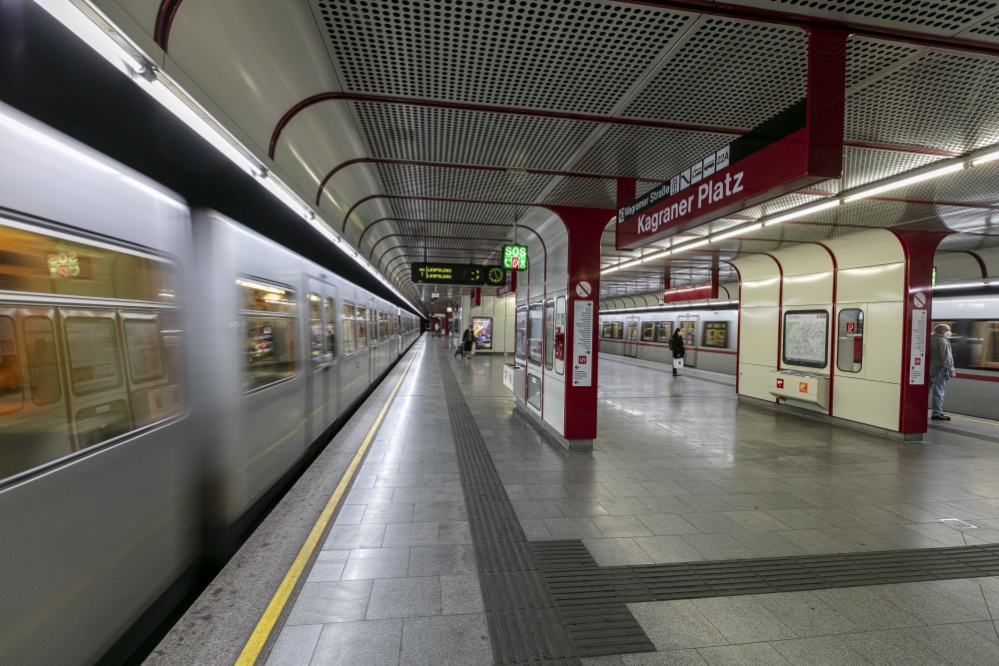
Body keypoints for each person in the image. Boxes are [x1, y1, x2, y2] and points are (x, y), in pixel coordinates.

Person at [929, 323, 956, 420]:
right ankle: (937, 413)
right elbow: (947, 357)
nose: (949, 332)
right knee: (938, 392)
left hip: (928, 369)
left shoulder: (929, 338)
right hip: (939, 370)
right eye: (947, 330)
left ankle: (918, 410)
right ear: (940, 331)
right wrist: (951, 371)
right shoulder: (942, 341)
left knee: (924, 392)